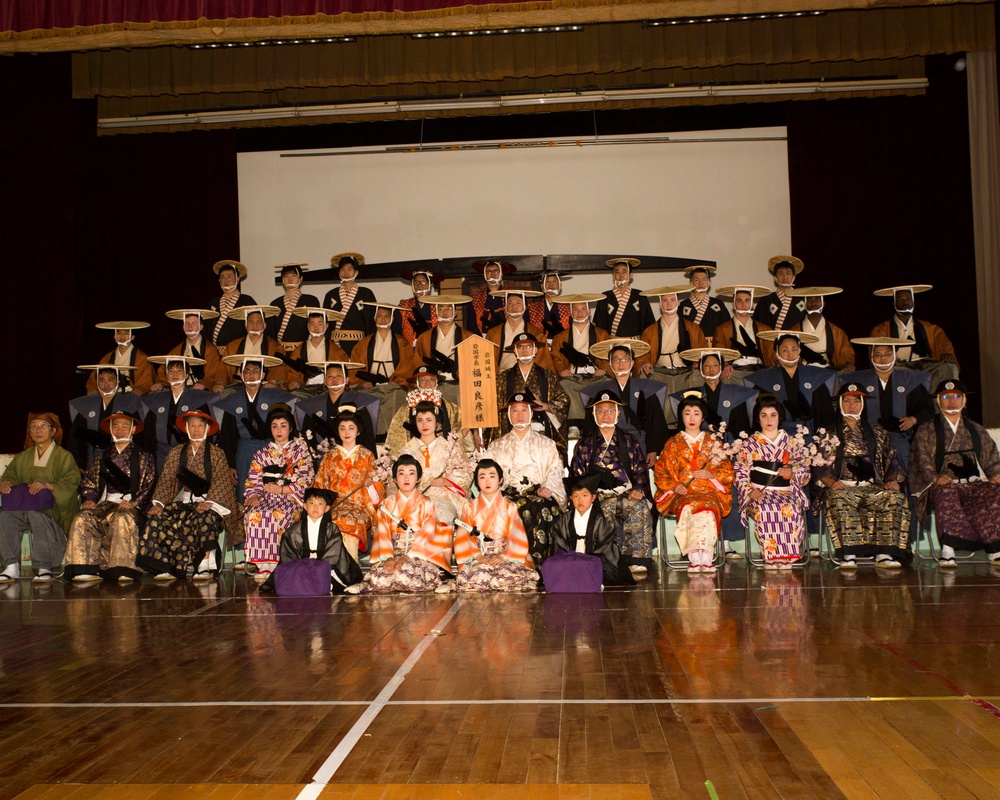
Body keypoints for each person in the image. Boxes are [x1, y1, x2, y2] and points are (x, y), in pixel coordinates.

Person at [814, 383, 911, 569]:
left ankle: (884, 553)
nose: (852, 405)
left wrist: (893, 481)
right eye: (847, 400)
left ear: (862, 404)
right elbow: (819, 467)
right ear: (840, 403)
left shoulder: (878, 432)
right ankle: (848, 554)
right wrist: (832, 482)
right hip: (842, 486)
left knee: (894, 498)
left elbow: (893, 461)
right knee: (839, 499)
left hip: (872, 485)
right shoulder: (827, 433)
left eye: (856, 401)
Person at [136, 410, 240, 581]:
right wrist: (159, 503)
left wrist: (211, 501)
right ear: (186, 428)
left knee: (205, 516)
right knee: (158, 518)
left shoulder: (217, 453)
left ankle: (205, 563)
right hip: (183, 502)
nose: (196, 429)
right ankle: (165, 565)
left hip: (209, 502)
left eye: (200, 425)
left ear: (207, 428)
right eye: (192, 425)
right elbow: (166, 480)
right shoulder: (176, 453)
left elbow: (222, 481)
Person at [909, 379, 1000, 568]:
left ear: (964, 400)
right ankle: (948, 549)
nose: (952, 401)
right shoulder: (926, 430)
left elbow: (991, 457)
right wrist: (935, 478)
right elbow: (922, 460)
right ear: (937, 401)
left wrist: (995, 474)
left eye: (957, 396)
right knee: (946, 492)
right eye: (946, 397)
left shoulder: (976, 429)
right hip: (941, 486)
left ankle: (994, 548)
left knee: (994, 491)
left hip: (973, 483)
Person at [63, 412, 156, 583]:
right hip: (106, 503)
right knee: (82, 518)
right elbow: (90, 481)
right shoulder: (102, 456)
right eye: (115, 426)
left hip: (131, 505)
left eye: (124, 426)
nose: (119, 430)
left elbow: (149, 485)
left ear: (133, 429)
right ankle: (85, 568)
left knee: (123, 519)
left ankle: (123, 568)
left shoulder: (144, 456)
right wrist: (89, 499)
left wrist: (134, 502)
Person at [570, 390, 655, 572]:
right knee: (602, 512)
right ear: (594, 414)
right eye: (600, 411)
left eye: (610, 411)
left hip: (626, 491)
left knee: (638, 507)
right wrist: (587, 495)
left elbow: (640, 468)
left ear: (618, 413)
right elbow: (577, 475)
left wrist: (639, 489)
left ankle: (636, 558)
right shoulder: (584, 443)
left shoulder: (629, 440)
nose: (605, 415)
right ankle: (606, 561)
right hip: (597, 495)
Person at [653, 394, 735, 574]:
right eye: (687, 413)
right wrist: (674, 486)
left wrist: (710, 475)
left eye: (696, 413)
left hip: (709, 493)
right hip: (681, 494)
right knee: (691, 506)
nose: (691, 418)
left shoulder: (713, 442)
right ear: (681, 416)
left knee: (706, 507)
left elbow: (727, 470)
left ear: (703, 417)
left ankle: (705, 556)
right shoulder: (672, 443)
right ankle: (694, 556)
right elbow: (660, 470)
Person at [486, 390, 566, 567]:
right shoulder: (497, 445)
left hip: (538, 494)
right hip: (507, 496)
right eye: (514, 410)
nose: (519, 415)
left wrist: (549, 488)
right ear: (508, 414)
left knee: (540, 508)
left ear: (531, 412)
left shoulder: (547, 444)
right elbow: (488, 475)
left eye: (524, 410)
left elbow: (555, 470)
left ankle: (539, 564)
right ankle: (510, 562)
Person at [351, 454, 452, 594]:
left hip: (418, 553)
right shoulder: (387, 504)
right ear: (394, 479)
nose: (406, 478)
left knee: (407, 577)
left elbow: (428, 533)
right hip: (393, 552)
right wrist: (389, 557)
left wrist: (407, 556)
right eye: (401, 473)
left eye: (411, 473)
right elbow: (383, 534)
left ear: (418, 479)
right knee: (381, 579)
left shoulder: (426, 503)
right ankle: (367, 583)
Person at [0, 413, 81, 583]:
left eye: (44, 426)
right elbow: (10, 475)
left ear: (53, 432)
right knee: (5, 516)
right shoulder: (24, 456)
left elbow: (72, 481)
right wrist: (5, 483)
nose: (38, 430)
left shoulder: (63, 456)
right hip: (24, 506)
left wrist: (48, 485)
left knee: (37, 515)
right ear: (29, 432)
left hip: (52, 508)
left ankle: (44, 566)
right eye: (34, 426)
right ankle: (11, 565)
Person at [733, 396, 811, 568]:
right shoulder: (749, 445)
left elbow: (804, 468)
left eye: (773, 415)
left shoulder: (792, 443)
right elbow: (740, 471)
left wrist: (792, 473)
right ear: (757, 418)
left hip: (786, 491)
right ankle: (771, 555)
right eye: (764, 415)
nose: (769, 420)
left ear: (780, 417)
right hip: (759, 491)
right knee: (767, 507)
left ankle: (788, 555)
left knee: (789, 507)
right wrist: (749, 490)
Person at [242, 406, 315, 583]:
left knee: (278, 515)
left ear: (290, 428)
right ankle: (263, 564)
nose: (279, 430)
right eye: (274, 426)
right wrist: (253, 496)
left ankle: (278, 562)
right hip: (267, 498)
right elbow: (253, 480)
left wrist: (282, 490)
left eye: (283, 425)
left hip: (291, 498)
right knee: (255, 514)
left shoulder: (300, 452)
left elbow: (307, 479)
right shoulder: (261, 454)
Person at [214, 355, 297, 503]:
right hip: (243, 451)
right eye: (247, 371)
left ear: (263, 375)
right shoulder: (232, 400)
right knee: (243, 490)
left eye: (255, 371)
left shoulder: (274, 397)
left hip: (270, 450)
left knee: (270, 489)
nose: (251, 375)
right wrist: (231, 464)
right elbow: (227, 435)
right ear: (241, 375)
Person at [842, 338, 935, 469]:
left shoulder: (910, 380)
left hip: (901, 440)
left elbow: (928, 408)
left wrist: (913, 420)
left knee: (902, 476)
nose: (883, 359)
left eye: (887, 354)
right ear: (871, 357)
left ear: (895, 355)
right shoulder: (858, 381)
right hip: (867, 440)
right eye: (878, 355)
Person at [454, 458, 539, 592]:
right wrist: (478, 556)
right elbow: (463, 536)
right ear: (476, 481)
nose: (487, 481)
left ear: (500, 480)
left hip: (505, 555)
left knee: (505, 577)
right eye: (482, 477)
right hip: (479, 555)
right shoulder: (469, 507)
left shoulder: (509, 506)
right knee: (479, 577)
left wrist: (503, 556)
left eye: (492, 476)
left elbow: (517, 535)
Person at [259, 488, 363, 594]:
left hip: (324, 567)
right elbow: (289, 554)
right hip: (302, 566)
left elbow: (334, 553)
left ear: (327, 508)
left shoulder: (331, 529)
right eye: (311, 503)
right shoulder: (294, 530)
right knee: (294, 578)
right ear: (305, 506)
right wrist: (305, 565)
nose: (315, 507)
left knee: (335, 580)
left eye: (320, 504)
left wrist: (316, 566)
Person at [581, 340, 668, 466]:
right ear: (610, 364)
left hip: (639, 443)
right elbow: (591, 422)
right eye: (616, 360)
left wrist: (652, 449)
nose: (620, 364)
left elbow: (655, 421)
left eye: (625, 359)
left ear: (632, 363)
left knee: (638, 482)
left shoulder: (646, 388)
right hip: (608, 443)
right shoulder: (599, 391)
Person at [313, 410, 384, 562]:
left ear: (358, 431)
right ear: (337, 431)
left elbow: (378, 487)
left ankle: (350, 567)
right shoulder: (329, 456)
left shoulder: (367, 455)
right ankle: (330, 568)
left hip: (360, 505)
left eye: (351, 428)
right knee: (331, 520)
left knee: (350, 519)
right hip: (334, 504)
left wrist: (370, 486)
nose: (347, 432)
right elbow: (320, 484)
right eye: (342, 428)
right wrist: (322, 505)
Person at [486, 332, 569, 456]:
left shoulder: (547, 375)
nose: (524, 350)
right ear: (514, 350)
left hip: (541, 430)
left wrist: (547, 406)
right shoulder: (503, 378)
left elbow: (564, 399)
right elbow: (492, 405)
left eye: (529, 346)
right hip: (510, 430)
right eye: (520, 347)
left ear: (535, 350)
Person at [547, 473, 633, 587]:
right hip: (571, 558)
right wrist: (571, 556)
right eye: (576, 496)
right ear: (571, 498)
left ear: (593, 497)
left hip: (594, 559)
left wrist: (586, 557)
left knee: (592, 566)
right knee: (552, 565)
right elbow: (558, 540)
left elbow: (605, 545)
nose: (580, 500)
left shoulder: (600, 519)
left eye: (584, 495)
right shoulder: (565, 519)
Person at [744, 331, 836, 435]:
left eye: (794, 349)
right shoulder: (765, 378)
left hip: (810, 434)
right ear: (777, 354)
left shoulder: (814, 376)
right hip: (777, 435)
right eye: (785, 350)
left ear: (800, 351)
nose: (790, 354)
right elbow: (761, 414)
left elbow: (825, 415)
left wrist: (823, 438)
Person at [398, 399, 473, 525]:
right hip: (415, 496)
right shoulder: (408, 449)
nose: (424, 425)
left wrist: (446, 481)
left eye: (429, 420)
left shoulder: (449, 446)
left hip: (444, 496)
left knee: (439, 515)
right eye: (420, 420)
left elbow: (464, 474)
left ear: (436, 421)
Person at [870, 284, 959, 388]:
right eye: (900, 299)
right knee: (891, 371)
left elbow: (944, 345)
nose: (905, 302)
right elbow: (876, 354)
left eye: (908, 299)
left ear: (913, 301)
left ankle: (942, 402)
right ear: (894, 303)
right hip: (898, 365)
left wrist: (947, 354)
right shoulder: (881, 330)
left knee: (948, 368)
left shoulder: (930, 328)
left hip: (924, 364)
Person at [141, 356, 218, 471]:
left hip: (190, 455)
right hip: (161, 455)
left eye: (179, 371)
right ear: (166, 375)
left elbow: (207, 431)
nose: (174, 374)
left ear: (187, 375)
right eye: (170, 371)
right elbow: (148, 433)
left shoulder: (198, 399)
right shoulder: (156, 400)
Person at [550, 293, 610, 435]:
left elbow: (608, 356)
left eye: (583, 309)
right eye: (575, 309)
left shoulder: (601, 334)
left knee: (607, 381)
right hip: (573, 376)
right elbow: (556, 358)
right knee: (564, 383)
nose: (579, 313)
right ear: (570, 312)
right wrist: (562, 370)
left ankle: (596, 422)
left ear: (589, 311)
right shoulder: (561, 336)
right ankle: (575, 424)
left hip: (595, 375)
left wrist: (603, 369)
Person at [295, 361, 379, 459]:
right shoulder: (312, 406)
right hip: (322, 458)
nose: (334, 379)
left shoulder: (360, 404)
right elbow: (308, 440)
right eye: (330, 376)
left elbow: (367, 440)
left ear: (347, 380)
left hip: (353, 457)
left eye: (339, 375)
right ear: (324, 381)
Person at [635, 285, 708, 395]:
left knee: (701, 374)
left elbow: (703, 351)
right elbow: (642, 354)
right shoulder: (650, 331)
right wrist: (644, 362)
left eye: (672, 300)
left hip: (686, 371)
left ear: (679, 302)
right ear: (660, 304)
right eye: (665, 300)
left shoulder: (693, 328)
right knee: (644, 375)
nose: (669, 304)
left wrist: (699, 362)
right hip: (659, 372)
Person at [69, 364, 142, 471]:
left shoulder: (130, 403)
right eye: (102, 380)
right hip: (92, 458)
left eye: (110, 380)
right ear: (97, 382)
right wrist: (78, 465)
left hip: (122, 458)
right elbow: (77, 439)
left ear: (118, 381)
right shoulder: (86, 404)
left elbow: (139, 436)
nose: (106, 384)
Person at [384, 368, 467, 455]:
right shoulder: (406, 408)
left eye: (431, 379)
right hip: (416, 451)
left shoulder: (448, 406)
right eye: (422, 380)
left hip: (444, 453)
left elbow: (461, 423)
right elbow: (397, 434)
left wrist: (459, 435)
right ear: (417, 383)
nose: (427, 383)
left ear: (436, 382)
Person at [213, 306, 289, 390]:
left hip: (263, 385)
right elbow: (223, 370)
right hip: (238, 386)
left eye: (259, 322)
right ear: (245, 325)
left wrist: (272, 383)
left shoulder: (275, 347)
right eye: (251, 322)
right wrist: (219, 383)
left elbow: (278, 370)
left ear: (265, 325)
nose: (255, 325)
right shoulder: (233, 345)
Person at [413, 295, 473, 401]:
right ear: (435, 312)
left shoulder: (468, 337)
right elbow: (418, 362)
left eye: (449, 308)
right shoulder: (424, 337)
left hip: (459, 385)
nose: (445, 313)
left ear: (456, 312)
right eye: (441, 308)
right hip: (431, 387)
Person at [280, 307, 351, 394]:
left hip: (328, 389)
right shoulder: (299, 350)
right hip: (305, 389)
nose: (316, 328)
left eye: (320, 324)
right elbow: (291, 371)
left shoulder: (337, 351)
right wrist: (294, 381)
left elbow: (341, 373)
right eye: (312, 324)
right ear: (308, 326)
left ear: (326, 326)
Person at [712, 286, 778, 377]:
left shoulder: (764, 329)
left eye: (747, 300)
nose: (743, 305)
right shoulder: (722, 329)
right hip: (733, 370)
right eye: (739, 301)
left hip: (759, 369)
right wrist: (725, 365)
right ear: (733, 303)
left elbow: (771, 354)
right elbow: (719, 352)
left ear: (752, 303)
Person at [786, 288, 856, 371]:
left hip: (829, 370)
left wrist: (848, 363)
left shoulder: (836, 331)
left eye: (817, 299)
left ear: (823, 303)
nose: (813, 303)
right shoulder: (795, 330)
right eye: (809, 300)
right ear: (805, 304)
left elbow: (846, 352)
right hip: (803, 370)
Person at [484, 289, 554, 372]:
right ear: (505, 307)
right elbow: (487, 360)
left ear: (525, 306)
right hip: (501, 377)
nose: (514, 307)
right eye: (510, 303)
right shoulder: (493, 333)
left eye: (518, 303)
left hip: (529, 378)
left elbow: (543, 361)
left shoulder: (536, 333)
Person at [152, 310, 222, 392]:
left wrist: (204, 383)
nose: (190, 326)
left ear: (201, 327)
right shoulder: (176, 350)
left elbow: (213, 374)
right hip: (178, 387)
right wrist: (161, 383)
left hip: (200, 388)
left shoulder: (210, 350)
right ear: (183, 327)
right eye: (187, 323)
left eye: (194, 323)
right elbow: (163, 369)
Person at [84, 321, 154, 396]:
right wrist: (93, 389)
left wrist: (140, 389)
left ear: (132, 337)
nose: (122, 337)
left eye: (126, 333)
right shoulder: (108, 357)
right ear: (114, 337)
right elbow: (96, 377)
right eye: (119, 333)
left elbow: (146, 381)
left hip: (131, 394)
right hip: (110, 394)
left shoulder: (142, 358)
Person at [592, 257, 655, 339]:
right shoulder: (605, 297)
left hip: (636, 343)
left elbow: (649, 325)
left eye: (624, 272)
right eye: (617, 272)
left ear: (631, 275)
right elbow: (599, 327)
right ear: (613, 275)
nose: (621, 275)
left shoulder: (640, 296)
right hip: (612, 342)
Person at [323, 252, 376, 339]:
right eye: (343, 270)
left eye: (350, 269)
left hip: (360, 343)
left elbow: (372, 321)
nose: (346, 273)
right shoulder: (331, 295)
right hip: (336, 343)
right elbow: (325, 321)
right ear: (339, 272)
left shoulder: (366, 293)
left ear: (356, 272)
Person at [207, 260, 256, 351]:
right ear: (219, 280)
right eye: (222, 277)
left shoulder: (246, 300)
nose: (226, 280)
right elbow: (206, 328)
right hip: (216, 351)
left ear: (237, 279)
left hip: (240, 350)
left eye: (229, 277)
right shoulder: (213, 302)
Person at [268, 263, 320, 347]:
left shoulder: (311, 301)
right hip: (281, 349)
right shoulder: (275, 304)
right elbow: (271, 332)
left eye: (293, 276)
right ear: (282, 280)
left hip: (304, 348)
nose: (290, 279)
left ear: (300, 278)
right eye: (286, 276)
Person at [753, 255, 807, 330]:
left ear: (794, 277)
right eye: (781, 273)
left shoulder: (802, 299)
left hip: (796, 340)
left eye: (788, 273)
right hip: (773, 341)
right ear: (775, 278)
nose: (785, 277)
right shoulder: (766, 299)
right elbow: (759, 325)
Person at [678, 265, 730, 342]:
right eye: (697, 280)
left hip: (715, 346)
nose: (701, 283)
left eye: (704, 280)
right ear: (691, 283)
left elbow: (727, 327)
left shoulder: (718, 304)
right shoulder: (683, 305)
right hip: (692, 345)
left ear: (709, 282)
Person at [468, 259, 516, 335]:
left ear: (501, 274)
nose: (492, 275)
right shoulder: (476, 299)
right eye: (488, 272)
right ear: (485, 275)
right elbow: (471, 325)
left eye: (496, 271)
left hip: (508, 335)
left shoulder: (512, 295)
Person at [395, 269, 442, 344]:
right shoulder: (404, 306)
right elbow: (396, 333)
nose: (419, 284)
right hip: (410, 349)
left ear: (430, 284)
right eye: (416, 282)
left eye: (423, 281)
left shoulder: (438, 306)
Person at [534, 270, 572, 346]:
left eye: (554, 281)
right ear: (542, 286)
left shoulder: (569, 308)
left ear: (560, 285)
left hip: (562, 346)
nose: (551, 284)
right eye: (547, 281)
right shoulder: (533, 308)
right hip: (541, 348)